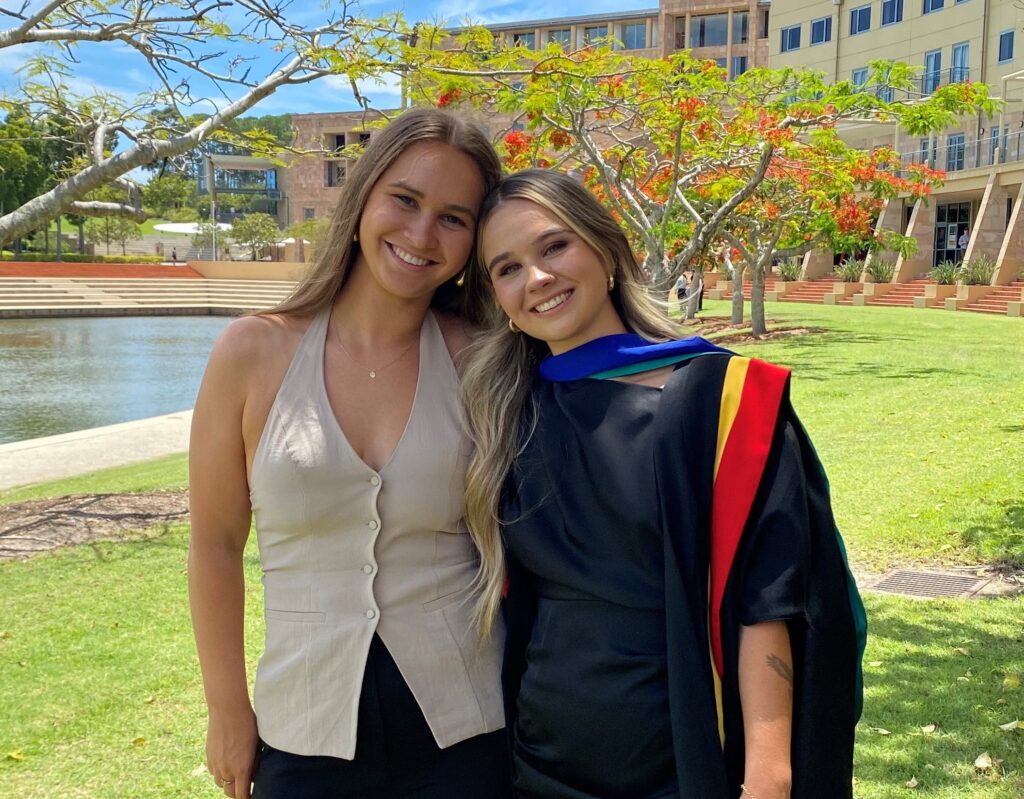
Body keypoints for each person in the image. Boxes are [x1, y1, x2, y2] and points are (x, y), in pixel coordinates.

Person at [459, 170, 866, 799]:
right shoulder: (505, 413)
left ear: (607, 250)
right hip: (541, 753)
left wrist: (769, 776)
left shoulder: (723, 404)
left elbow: (768, 601)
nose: (536, 278)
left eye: (554, 247)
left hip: (689, 750)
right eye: (506, 268)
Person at [188, 109, 509, 799]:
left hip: (467, 730)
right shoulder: (250, 353)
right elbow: (215, 543)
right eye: (406, 199)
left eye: (454, 218)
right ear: (364, 194)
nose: (422, 234)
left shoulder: (483, 358)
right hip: (301, 730)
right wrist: (226, 707)